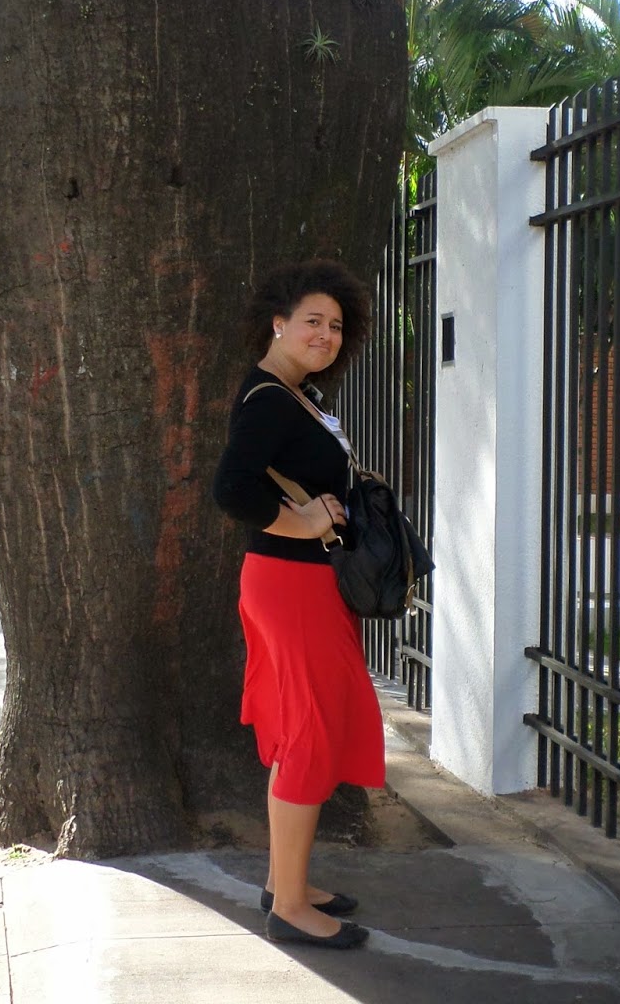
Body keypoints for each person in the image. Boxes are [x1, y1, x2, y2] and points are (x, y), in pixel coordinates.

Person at [212, 258, 384, 951]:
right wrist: (304, 523)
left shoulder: (294, 395)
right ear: (278, 323)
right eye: (313, 320)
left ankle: (285, 881)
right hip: (293, 585)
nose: (326, 335)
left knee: (301, 732)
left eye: (336, 325)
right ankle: (288, 907)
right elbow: (232, 489)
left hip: (300, 586)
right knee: (309, 736)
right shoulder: (269, 399)